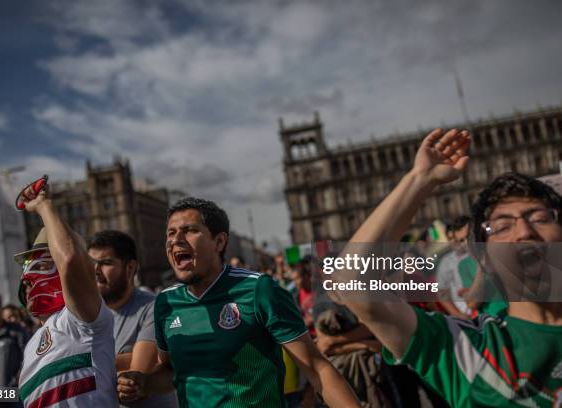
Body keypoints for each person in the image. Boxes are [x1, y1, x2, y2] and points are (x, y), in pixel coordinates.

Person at [331, 128, 562, 407]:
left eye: (539, 218)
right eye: (502, 226)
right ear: (483, 259)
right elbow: (351, 284)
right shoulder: (466, 346)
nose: (524, 231)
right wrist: (419, 180)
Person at [118, 197, 360, 407]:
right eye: (171, 233)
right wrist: (145, 383)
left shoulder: (259, 290)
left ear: (219, 242)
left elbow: (317, 368)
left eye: (189, 230)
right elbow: (173, 370)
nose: (176, 240)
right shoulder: (165, 303)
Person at [14, 180, 117, 407]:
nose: (29, 282)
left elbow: (70, 259)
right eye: (26, 281)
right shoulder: (30, 347)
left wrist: (43, 205)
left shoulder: (81, 320)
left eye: (42, 267)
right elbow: (13, 396)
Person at [88, 230, 178, 408]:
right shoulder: (86, 315)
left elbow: (134, 379)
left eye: (105, 263)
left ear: (130, 268)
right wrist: (119, 360)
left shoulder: (153, 308)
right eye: (91, 263)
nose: (96, 270)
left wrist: (87, 363)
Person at [436, 216, 473, 318]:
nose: (454, 241)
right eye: (450, 238)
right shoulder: (446, 262)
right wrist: (458, 315)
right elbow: (442, 293)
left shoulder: (479, 254)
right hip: (465, 314)